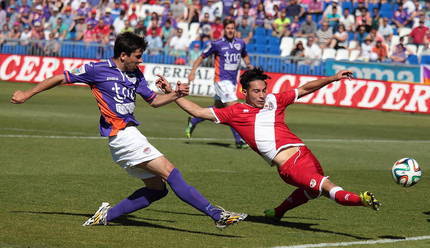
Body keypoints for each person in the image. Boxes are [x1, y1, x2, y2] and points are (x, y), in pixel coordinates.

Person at [10, 32, 246, 229]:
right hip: (123, 136)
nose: (140, 61)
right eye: (137, 57)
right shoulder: (97, 69)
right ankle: (217, 215)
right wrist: (26, 94)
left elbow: (153, 100)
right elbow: (60, 78)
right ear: (123, 55)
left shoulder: (136, 74)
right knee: (171, 173)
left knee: (157, 190)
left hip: (128, 136)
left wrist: (175, 93)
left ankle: (107, 216)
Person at [170, 68, 381, 221]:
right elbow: (197, 112)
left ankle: (278, 212)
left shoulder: (274, 100)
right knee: (325, 186)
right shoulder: (234, 112)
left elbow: (304, 88)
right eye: (256, 91)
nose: (262, 95)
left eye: (263, 90)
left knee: (314, 190)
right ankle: (359, 199)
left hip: (305, 153)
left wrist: (333, 78)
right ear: (244, 92)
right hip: (290, 167)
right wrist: (174, 94)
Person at [186, 19, 253, 149]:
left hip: (233, 82)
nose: (230, 30)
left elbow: (245, 55)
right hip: (221, 81)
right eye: (228, 28)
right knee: (234, 110)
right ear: (224, 29)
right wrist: (192, 71)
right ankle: (239, 140)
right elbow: (201, 57)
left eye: (232, 28)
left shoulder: (240, 43)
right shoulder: (217, 44)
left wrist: (249, 64)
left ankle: (194, 120)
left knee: (218, 109)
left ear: (235, 30)